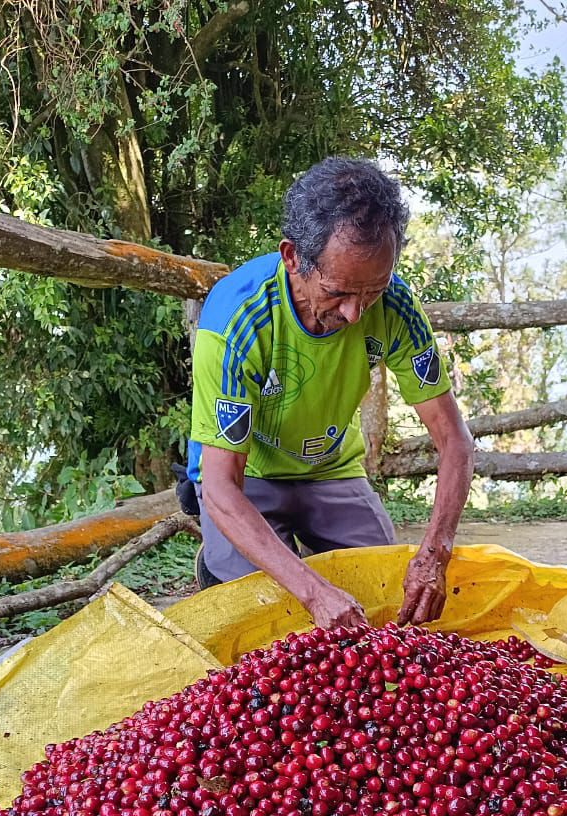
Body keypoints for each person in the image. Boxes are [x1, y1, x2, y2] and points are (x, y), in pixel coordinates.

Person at [176, 156, 474, 629]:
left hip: (331, 469)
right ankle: (217, 561)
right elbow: (219, 486)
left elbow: (454, 441)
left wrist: (435, 553)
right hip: (245, 476)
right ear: (293, 257)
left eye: (372, 292)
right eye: (338, 292)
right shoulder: (236, 320)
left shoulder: (397, 306)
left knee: (381, 594)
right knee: (266, 613)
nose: (356, 313)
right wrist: (314, 593)